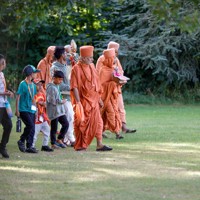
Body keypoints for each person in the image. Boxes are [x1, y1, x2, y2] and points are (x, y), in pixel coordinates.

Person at [70, 45, 112, 151]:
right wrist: (78, 103)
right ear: (83, 58)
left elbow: (96, 84)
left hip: (94, 100)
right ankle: (81, 145)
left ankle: (99, 144)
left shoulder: (92, 66)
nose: (92, 60)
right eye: (89, 58)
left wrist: (99, 99)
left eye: (92, 58)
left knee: (98, 122)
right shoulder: (76, 68)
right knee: (82, 123)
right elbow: (74, 86)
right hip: (83, 101)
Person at [96, 41, 136, 134]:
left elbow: (120, 72)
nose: (117, 53)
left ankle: (123, 127)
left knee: (120, 107)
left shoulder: (116, 59)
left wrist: (120, 79)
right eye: (115, 51)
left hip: (116, 89)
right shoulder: (102, 59)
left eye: (117, 51)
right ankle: (100, 130)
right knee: (103, 109)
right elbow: (98, 74)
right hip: (104, 90)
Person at [51, 46, 75, 146]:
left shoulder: (65, 66)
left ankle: (64, 139)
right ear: (61, 55)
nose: (67, 55)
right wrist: (71, 87)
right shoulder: (54, 68)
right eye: (65, 53)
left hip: (68, 96)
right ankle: (72, 140)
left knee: (70, 117)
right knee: (69, 117)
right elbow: (58, 84)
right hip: (60, 97)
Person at [99, 48, 123, 139]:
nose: (114, 60)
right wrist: (111, 84)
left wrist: (120, 81)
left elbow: (118, 81)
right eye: (112, 58)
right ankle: (117, 132)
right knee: (111, 113)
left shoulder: (114, 69)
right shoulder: (103, 70)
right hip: (105, 96)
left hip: (112, 96)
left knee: (113, 112)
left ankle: (103, 131)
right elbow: (100, 85)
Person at [16, 65, 40, 153]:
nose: (36, 75)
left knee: (32, 128)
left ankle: (29, 146)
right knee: (30, 125)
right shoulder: (23, 84)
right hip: (23, 109)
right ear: (30, 74)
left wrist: (36, 109)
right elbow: (18, 97)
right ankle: (21, 140)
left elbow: (33, 98)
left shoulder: (33, 85)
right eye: (35, 73)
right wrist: (17, 110)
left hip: (31, 110)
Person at [46, 70, 69, 149]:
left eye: (61, 80)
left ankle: (59, 139)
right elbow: (51, 100)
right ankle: (53, 143)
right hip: (54, 111)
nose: (60, 81)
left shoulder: (57, 86)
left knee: (66, 124)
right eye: (59, 79)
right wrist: (61, 101)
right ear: (54, 78)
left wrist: (61, 100)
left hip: (60, 110)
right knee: (54, 127)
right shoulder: (51, 87)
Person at [32, 79, 53, 152]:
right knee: (35, 132)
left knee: (47, 130)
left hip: (42, 116)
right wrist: (41, 103)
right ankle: (32, 146)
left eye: (41, 85)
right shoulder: (33, 94)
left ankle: (45, 145)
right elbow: (36, 102)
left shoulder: (41, 94)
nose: (40, 86)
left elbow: (45, 103)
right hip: (36, 116)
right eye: (38, 85)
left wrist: (45, 104)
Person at [0, 54, 14, 158]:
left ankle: (2, 147)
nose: (5, 64)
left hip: (3, 104)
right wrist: (5, 93)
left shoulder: (2, 74)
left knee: (8, 125)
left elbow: (2, 89)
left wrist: (8, 92)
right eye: (3, 62)